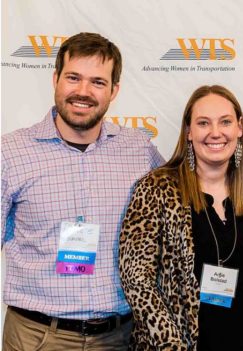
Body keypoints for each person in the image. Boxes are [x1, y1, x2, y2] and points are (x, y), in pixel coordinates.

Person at [1, 32, 164, 350]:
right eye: (73, 77)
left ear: (114, 90)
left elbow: (180, 211)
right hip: (36, 337)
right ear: (55, 79)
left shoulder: (140, 150)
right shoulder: (9, 153)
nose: (83, 92)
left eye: (98, 82)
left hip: (119, 337)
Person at [119, 85, 243, 350]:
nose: (215, 132)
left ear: (239, 128)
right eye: (203, 123)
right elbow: (136, 280)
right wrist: (170, 344)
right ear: (189, 132)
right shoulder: (158, 188)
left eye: (225, 122)